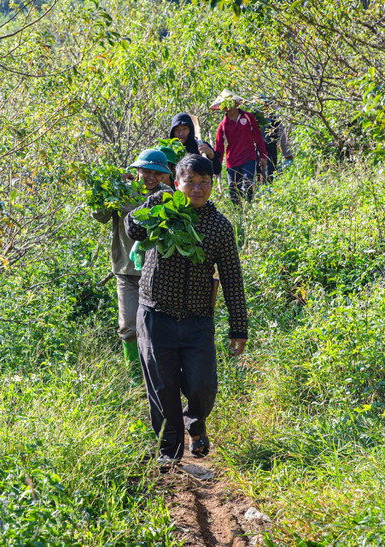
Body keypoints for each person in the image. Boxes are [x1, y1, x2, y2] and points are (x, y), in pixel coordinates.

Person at [125, 154, 248, 468]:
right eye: (190, 182)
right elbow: (133, 231)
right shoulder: (163, 211)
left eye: (204, 182)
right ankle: (170, 451)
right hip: (155, 315)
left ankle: (196, 424)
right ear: (176, 183)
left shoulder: (219, 226)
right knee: (162, 389)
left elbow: (232, 276)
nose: (197, 189)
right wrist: (152, 203)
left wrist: (239, 327)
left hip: (196, 321)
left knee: (202, 385)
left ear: (212, 185)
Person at [92, 149, 173, 377]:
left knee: (155, 327)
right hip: (126, 270)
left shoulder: (167, 194)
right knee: (128, 326)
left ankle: (155, 374)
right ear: (137, 170)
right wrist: (108, 189)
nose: (150, 177)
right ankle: (135, 377)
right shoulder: (122, 193)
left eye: (156, 173)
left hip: (156, 271)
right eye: (146, 171)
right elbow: (100, 216)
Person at [210, 89, 268, 204]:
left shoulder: (248, 117)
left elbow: (257, 137)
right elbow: (219, 147)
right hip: (232, 162)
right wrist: (217, 167)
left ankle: (250, 208)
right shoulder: (223, 125)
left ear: (235, 103)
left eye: (229, 102)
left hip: (249, 158)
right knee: (233, 193)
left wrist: (263, 156)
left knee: (247, 186)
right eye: (224, 104)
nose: (227, 106)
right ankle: (239, 214)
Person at [169, 113, 222, 177]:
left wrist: (211, 154)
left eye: (185, 129)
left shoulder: (200, 145)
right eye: (177, 130)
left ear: (190, 130)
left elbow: (217, 170)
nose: (181, 133)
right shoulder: (170, 149)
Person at [257, 97, 294, 183]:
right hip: (259, 149)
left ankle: (268, 190)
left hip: (271, 147)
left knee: (270, 173)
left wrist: (287, 153)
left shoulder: (274, 118)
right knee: (260, 174)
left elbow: (282, 136)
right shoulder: (256, 118)